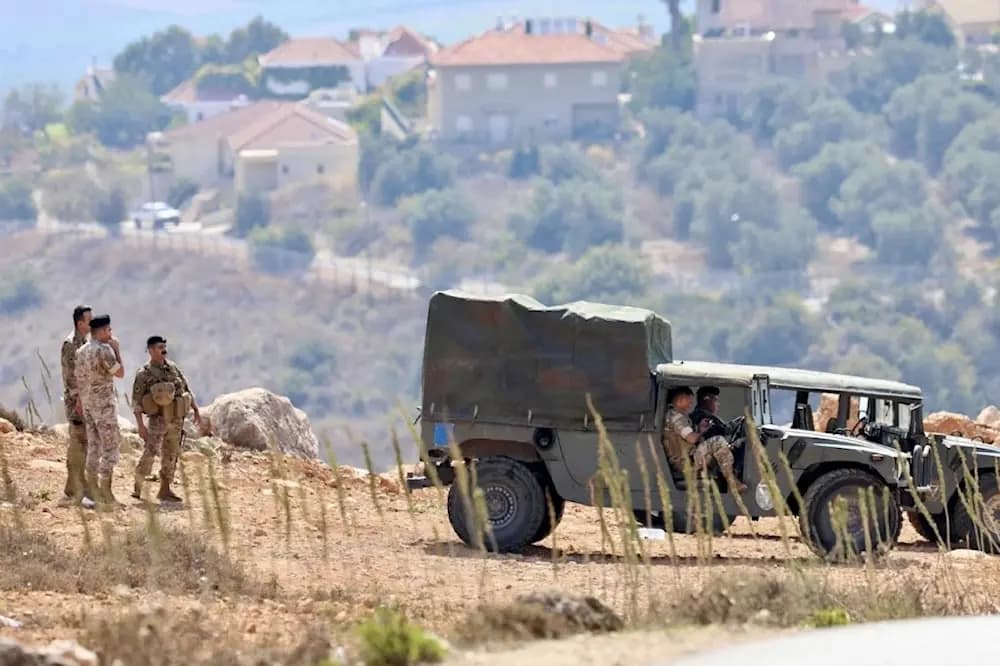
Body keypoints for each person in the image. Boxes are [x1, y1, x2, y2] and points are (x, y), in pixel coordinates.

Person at [131, 335, 200, 503]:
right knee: (151, 451)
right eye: (159, 347)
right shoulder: (144, 374)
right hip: (158, 419)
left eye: (164, 347)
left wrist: (195, 409)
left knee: (171, 453)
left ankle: (165, 489)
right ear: (150, 350)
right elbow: (137, 402)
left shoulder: (173, 368)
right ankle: (138, 485)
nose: (164, 350)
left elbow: (186, 389)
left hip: (176, 418)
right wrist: (140, 425)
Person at [74, 314, 125, 509]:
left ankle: (91, 492)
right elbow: (120, 373)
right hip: (104, 406)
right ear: (101, 331)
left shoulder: (81, 351)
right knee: (110, 448)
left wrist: (80, 400)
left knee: (94, 447)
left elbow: (79, 378)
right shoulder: (104, 350)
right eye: (109, 330)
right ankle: (106, 493)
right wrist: (117, 349)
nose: (111, 333)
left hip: (89, 405)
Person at [662, 386, 747, 493]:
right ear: (680, 399)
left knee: (720, 448)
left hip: (686, 458)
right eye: (689, 401)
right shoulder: (676, 417)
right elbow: (692, 438)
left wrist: (701, 430)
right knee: (718, 441)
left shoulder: (675, 416)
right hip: (685, 462)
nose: (690, 404)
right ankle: (732, 481)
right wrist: (702, 432)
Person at [57, 305, 92, 507]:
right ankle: (76, 487)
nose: (92, 324)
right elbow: (71, 377)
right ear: (80, 323)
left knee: (83, 442)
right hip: (76, 401)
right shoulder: (71, 344)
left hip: (85, 400)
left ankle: (74, 486)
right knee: (78, 441)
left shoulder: (84, 343)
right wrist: (79, 399)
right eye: (89, 321)